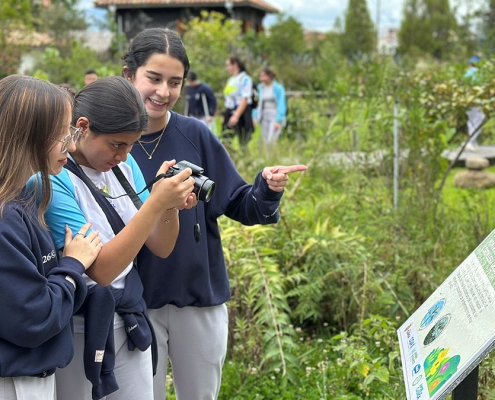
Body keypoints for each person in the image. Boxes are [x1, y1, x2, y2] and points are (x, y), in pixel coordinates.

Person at [121, 27, 308, 400]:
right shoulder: (108, 142)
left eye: (175, 82)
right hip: (132, 305)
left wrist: (266, 188)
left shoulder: (196, 135)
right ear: (129, 75)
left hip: (198, 299)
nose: (163, 92)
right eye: (153, 78)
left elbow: (239, 202)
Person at [44, 76, 195, 400]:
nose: (125, 156)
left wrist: (168, 207)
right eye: (117, 144)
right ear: (82, 126)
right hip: (80, 327)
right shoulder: (55, 179)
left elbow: (161, 246)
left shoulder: (123, 169)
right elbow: (100, 270)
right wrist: (154, 203)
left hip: (128, 318)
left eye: (131, 145)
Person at [0, 74, 102, 400]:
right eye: (64, 135)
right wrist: (73, 266)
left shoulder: (23, 200)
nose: (72, 147)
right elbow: (35, 319)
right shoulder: (7, 218)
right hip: (15, 380)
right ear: (31, 136)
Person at [221, 55, 255, 148]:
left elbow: (245, 98)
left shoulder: (244, 79)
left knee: (243, 141)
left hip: (241, 111)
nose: (227, 68)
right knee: (225, 139)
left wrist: (236, 115)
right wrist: (225, 115)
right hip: (230, 110)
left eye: (228, 65)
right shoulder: (231, 80)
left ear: (235, 65)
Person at [252, 67, 287, 146]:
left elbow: (281, 103)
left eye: (264, 76)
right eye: (261, 76)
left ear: (269, 76)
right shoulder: (260, 88)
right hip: (264, 115)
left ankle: (273, 156)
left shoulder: (278, 88)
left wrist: (279, 120)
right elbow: (256, 103)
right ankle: (268, 157)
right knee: (265, 140)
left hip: (274, 114)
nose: (262, 78)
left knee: (271, 140)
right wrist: (254, 116)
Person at [464, 56, 485, 151]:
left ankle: (472, 141)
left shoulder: (466, 73)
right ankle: (470, 141)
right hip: (477, 100)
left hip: (467, 100)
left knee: (471, 120)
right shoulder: (479, 73)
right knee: (480, 119)